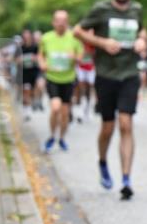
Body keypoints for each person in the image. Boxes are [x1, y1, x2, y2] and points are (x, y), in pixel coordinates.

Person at [74, 0, 146, 201]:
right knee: (108, 127)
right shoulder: (101, 9)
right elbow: (78, 31)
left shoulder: (137, 9)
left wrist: (142, 40)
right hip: (106, 74)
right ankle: (103, 161)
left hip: (129, 74)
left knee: (126, 124)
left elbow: (142, 30)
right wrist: (102, 42)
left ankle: (126, 179)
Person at [38, 10, 83, 153]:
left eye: (64, 21)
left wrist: (74, 57)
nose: (61, 23)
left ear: (67, 22)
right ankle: (52, 136)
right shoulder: (46, 38)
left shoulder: (74, 38)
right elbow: (40, 55)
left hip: (68, 79)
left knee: (65, 114)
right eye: (58, 20)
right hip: (52, 78)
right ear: (53, 22)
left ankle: (62, 138)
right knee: (55, 108)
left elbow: (81, 58)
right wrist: (42, 64)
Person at [73, 41, 96, 123]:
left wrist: (91, 53)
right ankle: (80, 111)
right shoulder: (78, 43)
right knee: (80, 89)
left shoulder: (93, 43)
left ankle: (87, 110)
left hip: (90, 68)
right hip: (80, 68)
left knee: (90, 89)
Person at [18, 29, 39, 120]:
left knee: (32, 91)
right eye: (24, 36)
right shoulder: (20, 48)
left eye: (28, 36)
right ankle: (26, 111)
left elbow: (40, 57)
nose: (26, 38)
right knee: (25, 91)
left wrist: (35, 58)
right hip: (24, 72)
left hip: (34, 71)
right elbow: (15, 60)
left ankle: (30, 105)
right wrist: (21, 60)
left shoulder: (35, 47)